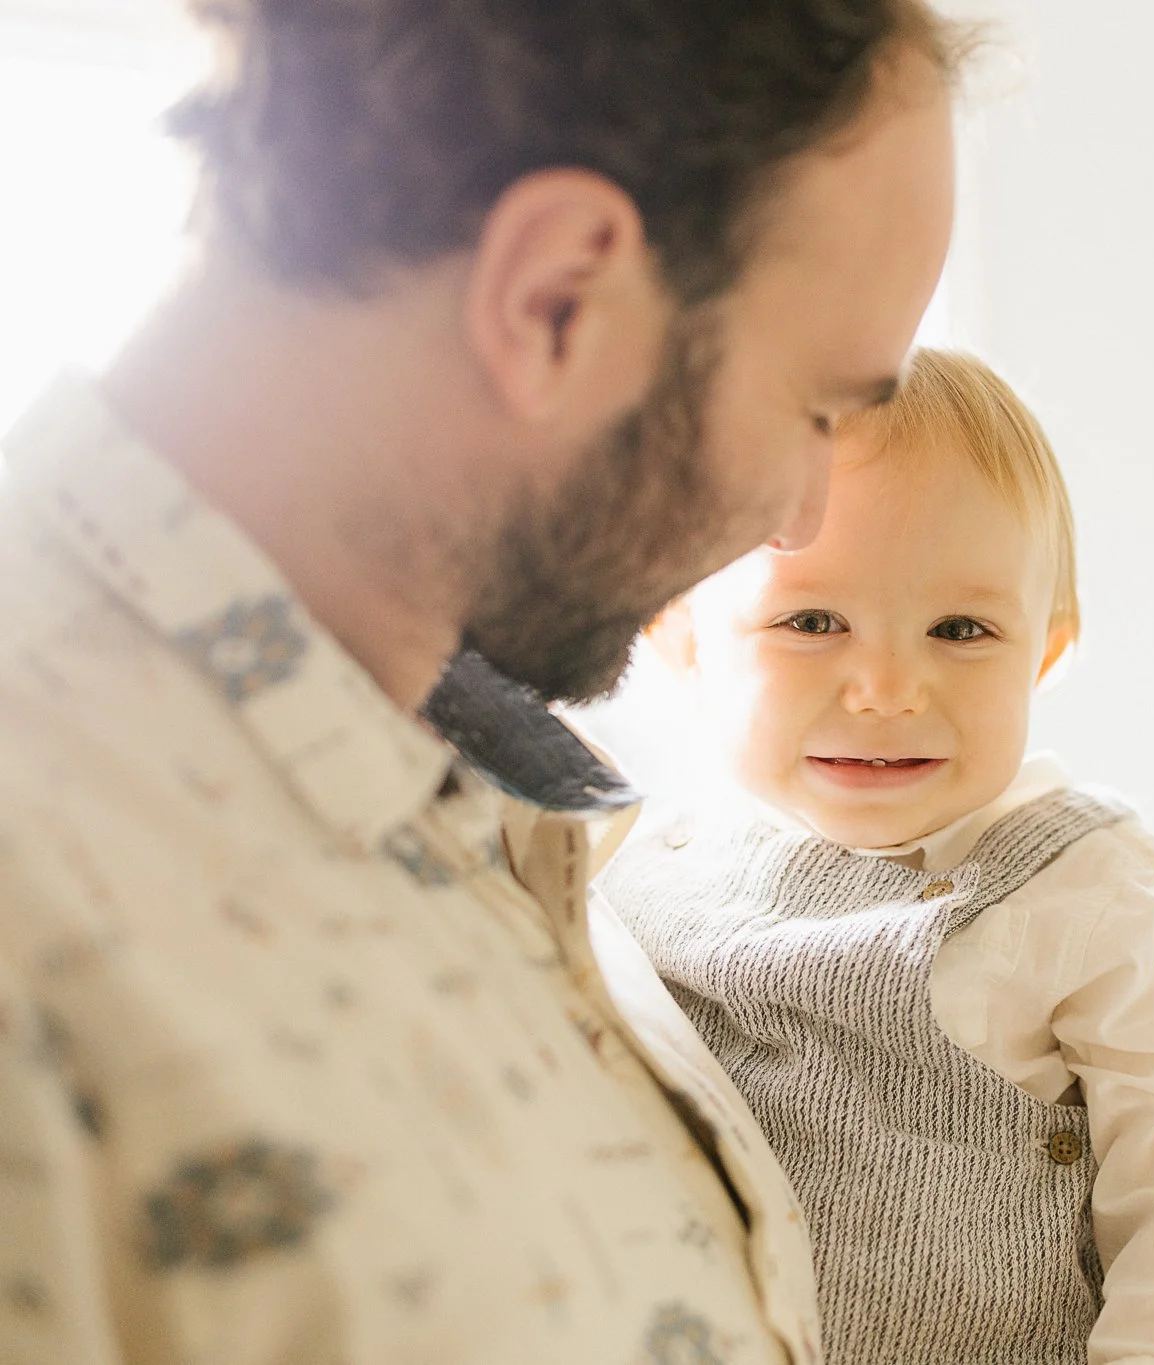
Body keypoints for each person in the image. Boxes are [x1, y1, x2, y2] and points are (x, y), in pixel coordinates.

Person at [0, 2, 959, 1361]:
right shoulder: (41, 910)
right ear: (555, 296)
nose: (801, 515)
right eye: (816, 406)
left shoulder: (480, 806)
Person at [600, 349, 1154, 1365]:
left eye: (960, 629)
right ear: (680, 639)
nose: (887, 686)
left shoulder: (1107, 920)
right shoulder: (629, 871)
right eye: (810, 621)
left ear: (1042, 655)